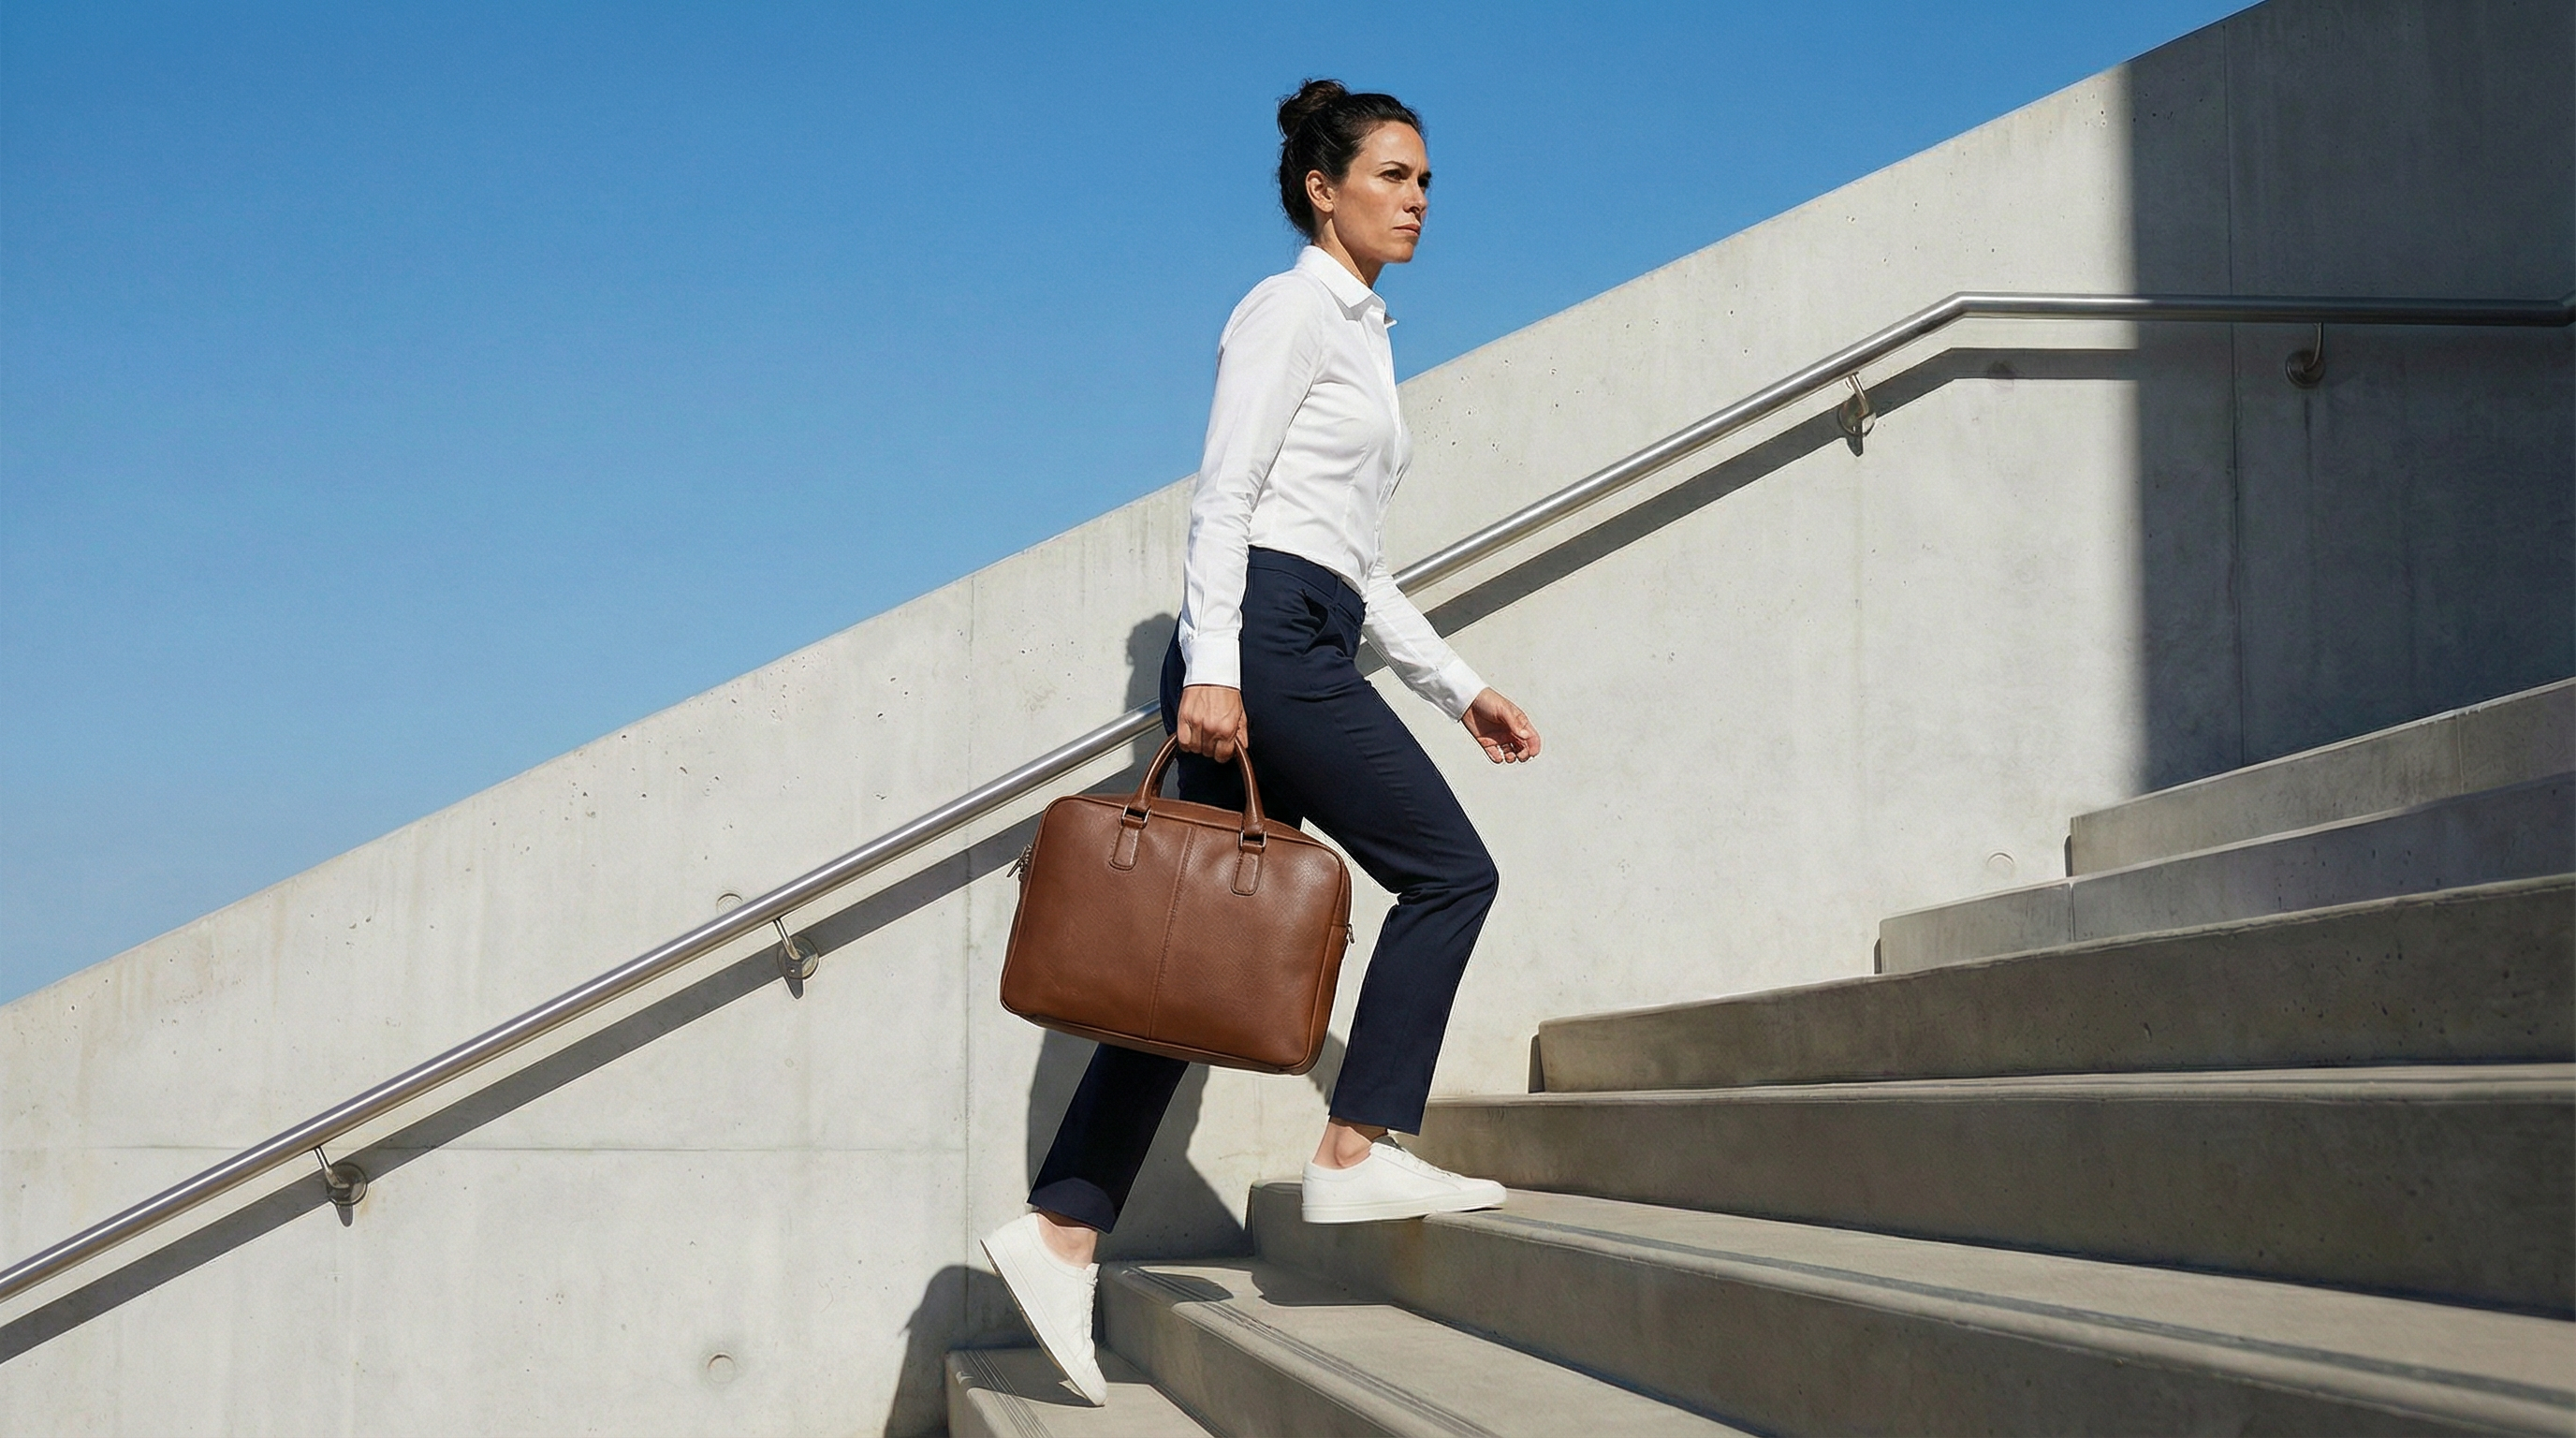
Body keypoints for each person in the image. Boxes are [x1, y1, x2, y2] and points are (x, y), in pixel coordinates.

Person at [979, 78, 1542, 1406]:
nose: (1416, 200)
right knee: (1451, 873)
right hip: (1266, 645)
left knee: (1189, 968)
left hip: (1307, 623)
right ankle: (1355, 1147)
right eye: (1393, 176)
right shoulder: (1290, 309)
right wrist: (1218, 671)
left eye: (1424, 181)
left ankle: (1059, 1229)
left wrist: (1460, 687)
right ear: (1321, 187)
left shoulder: (1366, 332)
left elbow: (1355, 557)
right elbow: (1225, 498)